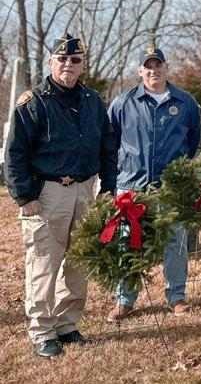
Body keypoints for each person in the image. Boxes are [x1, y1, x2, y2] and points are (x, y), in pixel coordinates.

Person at [4, 34, 117, 358]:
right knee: (43, 264)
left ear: (83, 64)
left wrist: (107, 188)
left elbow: (108, 147)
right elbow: (15, 154)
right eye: (62, 59)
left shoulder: (93, 101)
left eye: (75, 60)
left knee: (79, 262)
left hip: (85, 190)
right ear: (51, 62)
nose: (68, 64)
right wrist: (26, 197)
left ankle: (67, 324)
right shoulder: (34, 102)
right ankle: (42, 331)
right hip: (48, 193)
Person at [107, 44, 201, 321]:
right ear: (140, 71)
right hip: (132, 186)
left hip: (170, 187)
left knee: (176, 242)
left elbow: (194, 141)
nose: (154, 71)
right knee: (128, 242)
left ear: (166, 67)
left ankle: (177, 297)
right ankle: (125, 300)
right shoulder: (123, 103)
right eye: (148, 67)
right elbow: (110, 142)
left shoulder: (185, 103)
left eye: (158, 65)